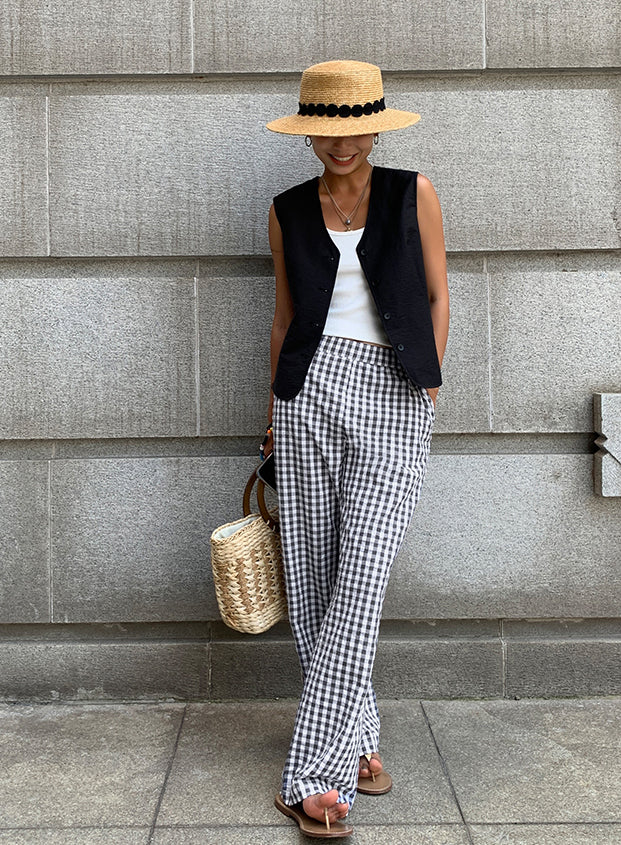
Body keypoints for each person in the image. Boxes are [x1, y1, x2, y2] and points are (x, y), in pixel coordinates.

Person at [262, 60, 449, 839]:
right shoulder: (285, 210)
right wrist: (271, 412)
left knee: (363, 576)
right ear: (310, 134)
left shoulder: (414, 193)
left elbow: (438, 291)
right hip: (307, 391)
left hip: (393, 388)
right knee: (312, 573)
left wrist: (429, 387)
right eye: (326, 131)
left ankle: (312, 769)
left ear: (374, 127)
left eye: (354, 128)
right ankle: (358, 735)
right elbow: (282, 313)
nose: (341, 145)